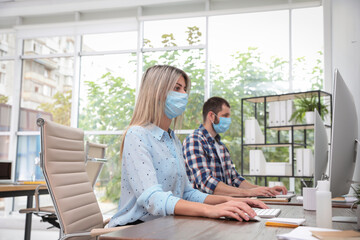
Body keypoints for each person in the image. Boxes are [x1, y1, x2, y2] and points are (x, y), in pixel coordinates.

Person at [109, 65, 268, 227]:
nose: (184, 94)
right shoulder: (137, 135)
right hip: (136, 227)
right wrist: (211, 210)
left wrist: (232, 201)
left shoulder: (173, 140)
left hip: (165, 225)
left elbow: (187, 193)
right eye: (177, 88)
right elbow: (153, 199)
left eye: (184, 89)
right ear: (156, 92)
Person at [183, 96, 288, 197]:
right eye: (225, 115)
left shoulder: (221, 146)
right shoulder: (194, 140)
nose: (229, 120)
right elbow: (206, 182)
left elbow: (235, 179)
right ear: (211, 116)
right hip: (204, 209)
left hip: (224, 206)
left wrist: (264, 190)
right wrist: (249, 193)